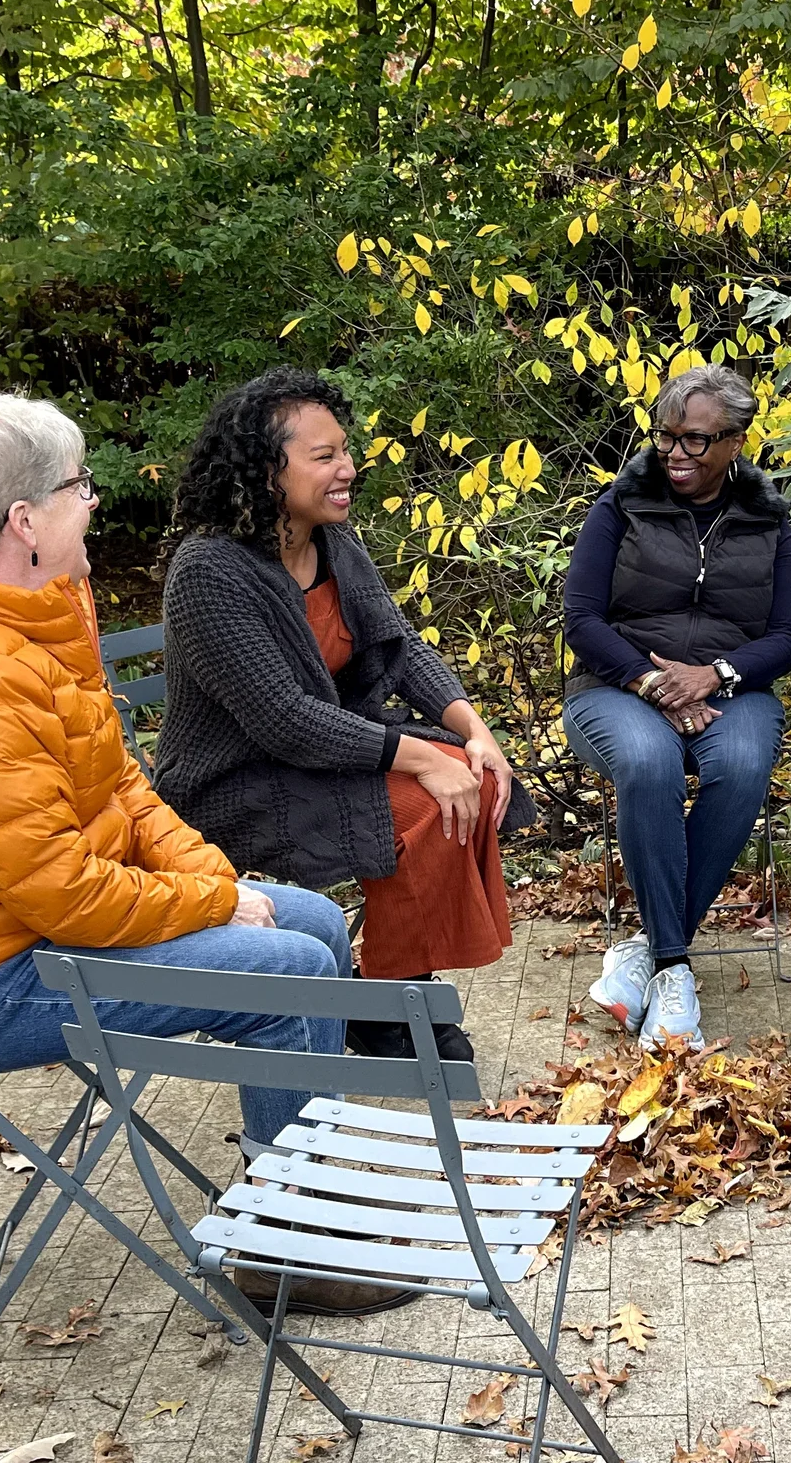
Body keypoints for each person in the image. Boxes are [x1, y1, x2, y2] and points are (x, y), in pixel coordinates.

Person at [0, 394, 397, 1311]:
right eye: (78, 486)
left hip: (20, 932)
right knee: (288, 968)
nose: (93, 501)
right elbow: (62, 893)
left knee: (312, 922)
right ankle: (284, 1253)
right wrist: (217, 906)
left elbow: (124, 791)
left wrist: (214, 881)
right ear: (24, 522)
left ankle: (300, 1187)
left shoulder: (36, 612)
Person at [155, 367, 528, 1063]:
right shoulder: (209, 571)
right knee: (426, 797)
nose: (348, 469)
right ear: (268, 471)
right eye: (324, 457)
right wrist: (420, 756)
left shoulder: (333, 541)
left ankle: (391, 988)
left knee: (463, 772)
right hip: (232, 786)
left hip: (317, 763)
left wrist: (475, 730)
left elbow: (401, 647)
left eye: (344, 452)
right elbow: (285, 718)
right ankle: (387, 1009)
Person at [563, 363, 791, 1050]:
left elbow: (787, 637)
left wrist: (716, 673)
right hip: (616, 685)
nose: (675, 453)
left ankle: (648, 951)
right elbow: (580, 618)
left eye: (696, 440)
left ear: (736, 442)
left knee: (744, 762)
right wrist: (653, 683)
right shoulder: (621, 504)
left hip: (734, 688)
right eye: (666, 436)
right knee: (648, 760)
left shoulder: (768, 518)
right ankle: (674, 967)